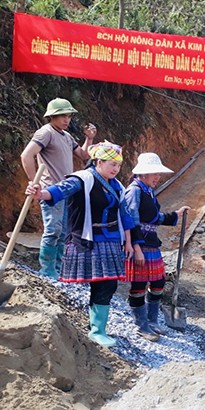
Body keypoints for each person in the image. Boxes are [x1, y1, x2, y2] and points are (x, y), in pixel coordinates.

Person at [25, 141, 134, 348]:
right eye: (111, 164)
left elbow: (125, 214)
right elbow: (60, 191)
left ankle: (98, 328)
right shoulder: (83, 179)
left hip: (111, 240)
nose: (115, 169)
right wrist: (41, 194)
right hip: (90, 238)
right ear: (98, 162)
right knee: (100, 282)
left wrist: (128, 241)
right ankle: (96, 330)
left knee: (109, 284)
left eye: (118, 165)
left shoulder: (117, 185)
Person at [20, 98, 97, 279]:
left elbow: (84, 155)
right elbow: (26, 155)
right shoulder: (45, 133)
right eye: (62, 116)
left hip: (65, 190)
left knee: (63, 232)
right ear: (52, 116)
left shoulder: (66, 136)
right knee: (53, 230)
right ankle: (47, 271)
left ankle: (59, 270)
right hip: (50, 190)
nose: (66, 120)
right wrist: (34, 182)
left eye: (68, 116)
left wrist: (89, 138)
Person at [124, 153, 190, 342]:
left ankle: (152, 320)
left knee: (158, 281)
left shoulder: (148, 191)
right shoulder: (134, 191)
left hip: (151, 242)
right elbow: (132, 221)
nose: (158, 177)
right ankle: (141, 325)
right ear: (144, 173)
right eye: (155, 173)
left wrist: (175, 215)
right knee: (138, 284)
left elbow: (155, 217)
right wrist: (136, 248)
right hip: (141, 243)